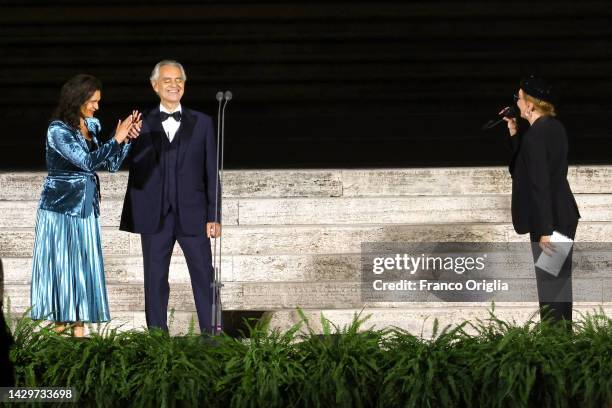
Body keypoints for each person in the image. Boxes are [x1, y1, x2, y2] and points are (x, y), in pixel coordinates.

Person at [30, 74, 141, 337]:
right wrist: (116, 138)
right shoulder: (58, 130)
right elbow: (87, 162)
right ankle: (59, 335)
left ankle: (79, 334)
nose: (97, 107)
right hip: (60, 210)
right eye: (93, 101)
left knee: (81, 268)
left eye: (98, 101)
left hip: (86, 210)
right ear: (77, 99)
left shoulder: (90, 126)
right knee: (62, 268)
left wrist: (126, 140)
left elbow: (110, 165)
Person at [120, 60, 221, 334]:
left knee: (204, 277)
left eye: (179, 80)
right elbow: (122, 162)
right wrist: (126, 139)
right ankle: (157, 342)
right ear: (155, 86)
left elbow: (211, 172)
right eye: (167, 80)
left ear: (184, 86)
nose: (174, 85)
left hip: (194, 215)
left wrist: (214, 215)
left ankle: (214, 339)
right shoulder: (140, 124)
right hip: (154, 216)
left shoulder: (203, 123)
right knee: (154, 281)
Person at [503, 75, 580, 325]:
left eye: (520, 98)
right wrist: (514, 133)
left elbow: (540, 183)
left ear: (531, 104)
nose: (517, 102)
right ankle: (561, 345)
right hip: (562, 214)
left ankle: (555, 350)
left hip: (550, 220)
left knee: (551, 288)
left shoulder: (536, 136)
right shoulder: (552, 127)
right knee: (557, 285)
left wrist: (546, 229)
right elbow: (524, 171)